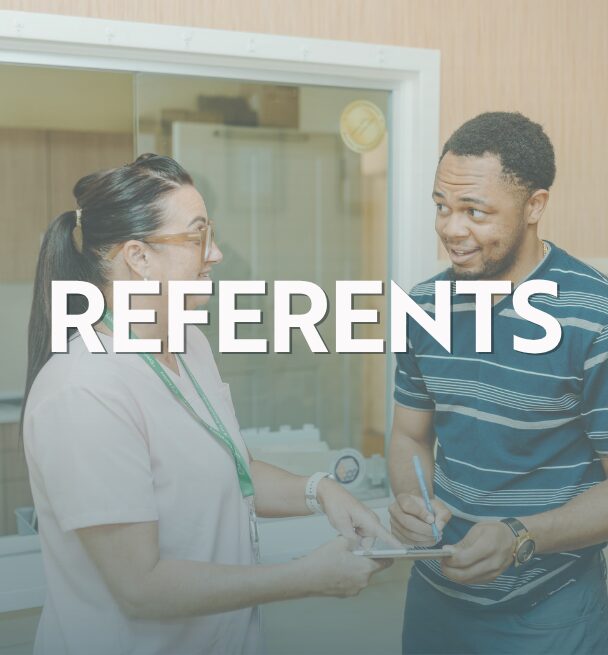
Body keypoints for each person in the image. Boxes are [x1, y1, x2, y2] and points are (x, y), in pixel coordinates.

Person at [22, 154, 396, 655]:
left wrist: (321, 490)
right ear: (139, 257)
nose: (215, 253)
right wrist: (304, 577)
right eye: (197, 237)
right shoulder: (84, 389)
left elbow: (229, 467)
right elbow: (140, 586)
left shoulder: (189, 345)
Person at [388, 112, 608, 654]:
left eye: (475, 211)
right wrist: (412, 500)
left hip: (550, 609)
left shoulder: (593, 315)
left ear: (534, 206)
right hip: (434, 596)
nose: (450, 228)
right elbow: (409, 435)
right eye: (442, 206)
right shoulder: (424, 306)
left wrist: (521, 537)